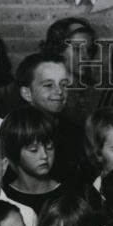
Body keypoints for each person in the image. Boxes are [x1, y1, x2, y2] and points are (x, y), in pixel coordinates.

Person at [15, 52, 90, 186]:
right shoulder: (15, 133)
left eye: (63, 84)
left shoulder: (75, 132)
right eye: (49, 85)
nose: (59, 91)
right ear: (27, 93)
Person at [0, 107, 69, 217]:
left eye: (49, 147)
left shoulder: (70, 195)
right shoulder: (3, 198)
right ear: (14, 152)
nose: (44, 155)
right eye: (33, 150)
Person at [41, 17, 103, 130]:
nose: (86, 57)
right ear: (58, 49)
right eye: (77, 49)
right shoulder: (49, 93)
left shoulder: (96, 91)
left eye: (89, 50)